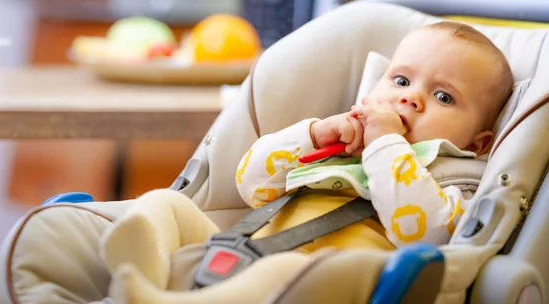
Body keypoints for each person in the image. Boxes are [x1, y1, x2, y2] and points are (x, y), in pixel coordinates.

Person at [100, 21, 514, 302]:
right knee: (166, 204)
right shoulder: (338, 141)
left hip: (319, 281)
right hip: (240, 249)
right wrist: (314, 134)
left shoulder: (459, 178)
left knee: (279, 276)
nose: (410, 98)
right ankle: (143, 269)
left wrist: (387, 143)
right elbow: (252, 185)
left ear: (480, 144)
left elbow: (422, 234)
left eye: (443, 97)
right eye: (401, 81)